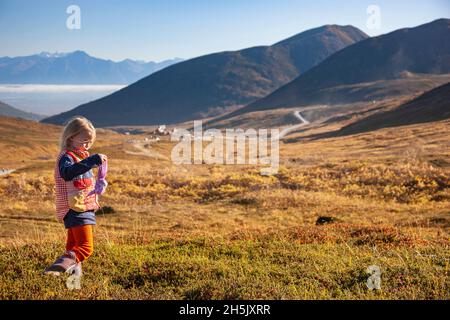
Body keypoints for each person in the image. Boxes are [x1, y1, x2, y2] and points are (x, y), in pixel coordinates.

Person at [44, 116, 107, 276]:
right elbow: (67, 173)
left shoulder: (81, 156)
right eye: (84, 141)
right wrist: (92, 160)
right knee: (86, 247)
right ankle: (55, 270)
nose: (87, 145)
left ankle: (73, 283)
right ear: (71, 137)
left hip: (82, 206)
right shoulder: (66, 157)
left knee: (73, 247)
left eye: (90, 142)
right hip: (75, 209)